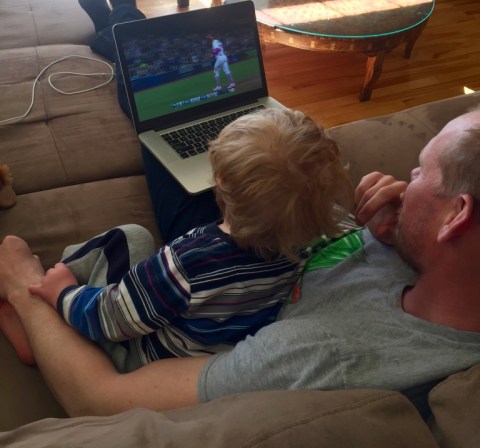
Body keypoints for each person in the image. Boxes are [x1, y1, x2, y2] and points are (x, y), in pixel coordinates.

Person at [1, 108, 480, 417]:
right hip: (266, 251)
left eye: (421, 170)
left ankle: (121, 26)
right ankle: (122, 24)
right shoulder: (428, 263)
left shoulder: (317, 356)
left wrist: (32, 289)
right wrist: (393, 233)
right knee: (166, 127)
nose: (407, 176)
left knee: (148, 162)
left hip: (173, 317)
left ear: (456, 216)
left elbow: (102, 381)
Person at [0, 107, 354, 371]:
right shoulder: (316, 241)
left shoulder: (187, 263)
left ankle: (41, 315)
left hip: (143, 355)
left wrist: (63, 293)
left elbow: (110, 318)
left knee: (129, 237)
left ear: (219, 181)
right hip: (212, 341)